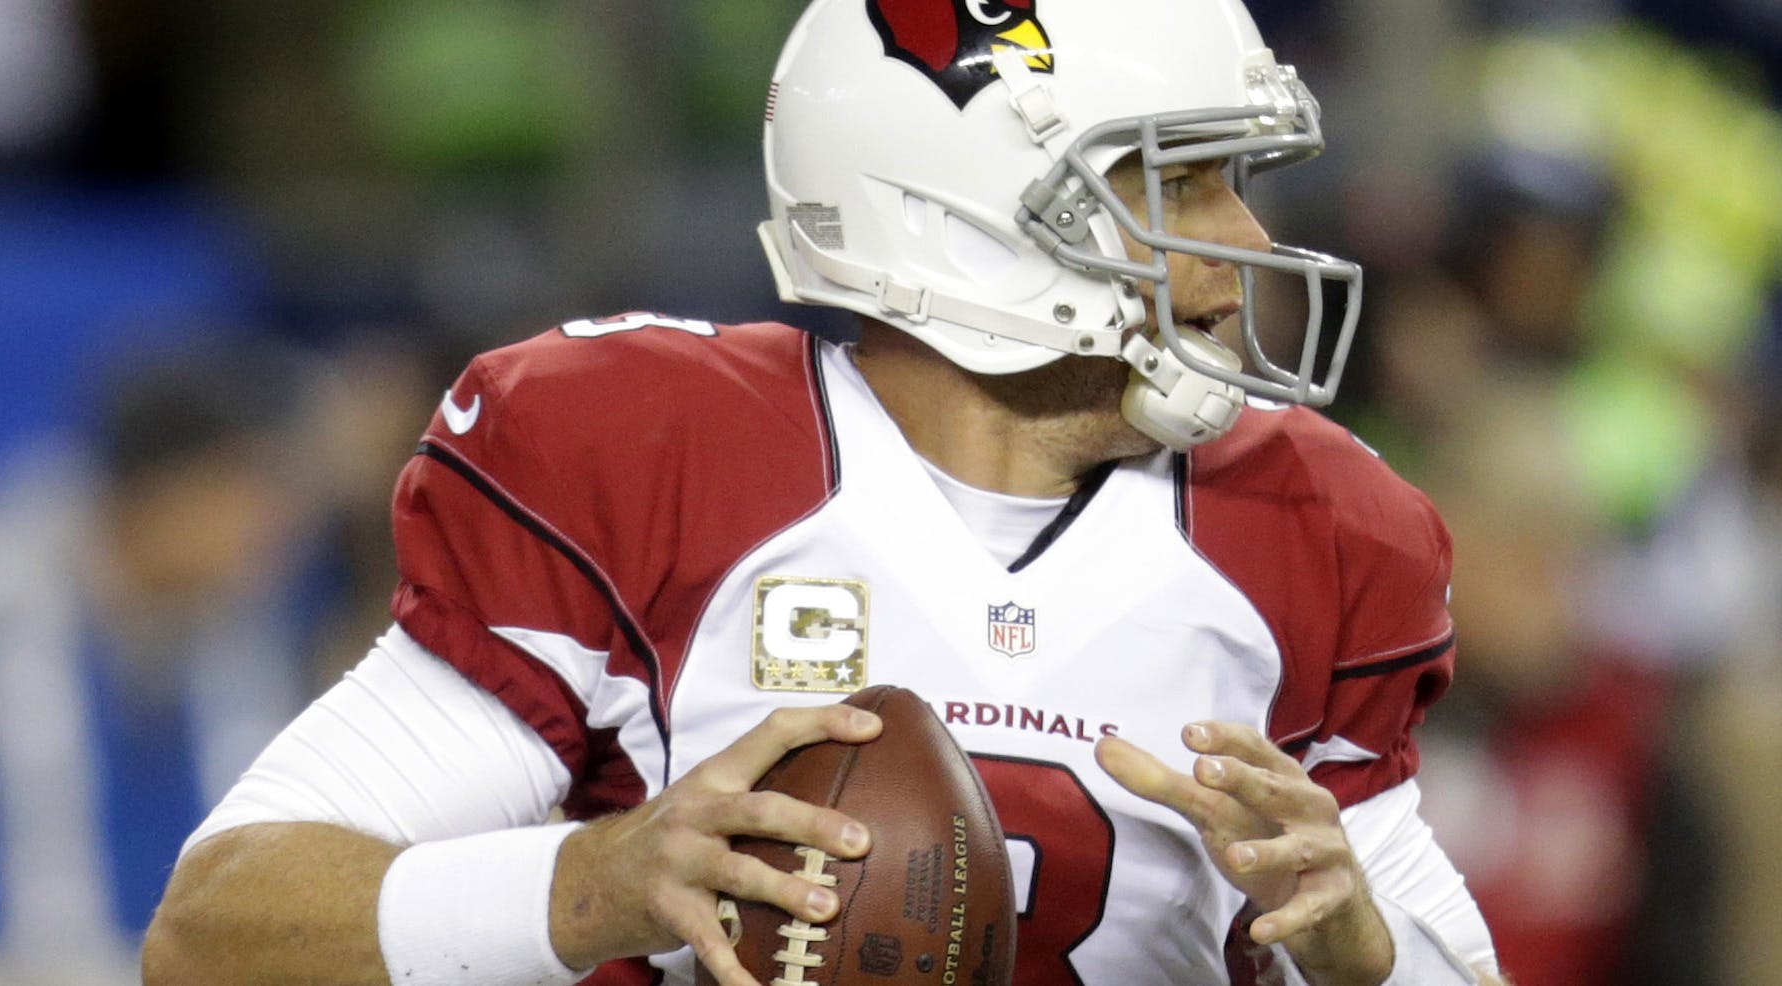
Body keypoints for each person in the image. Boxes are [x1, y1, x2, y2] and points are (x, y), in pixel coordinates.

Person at [145, 1, 1503, 984]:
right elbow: (215, 932)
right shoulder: (658, 468)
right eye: (1184, 185)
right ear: (966, 209)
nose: (1246, 243)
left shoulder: (1311, 529)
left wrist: (1359, 952)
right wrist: (597, 883)